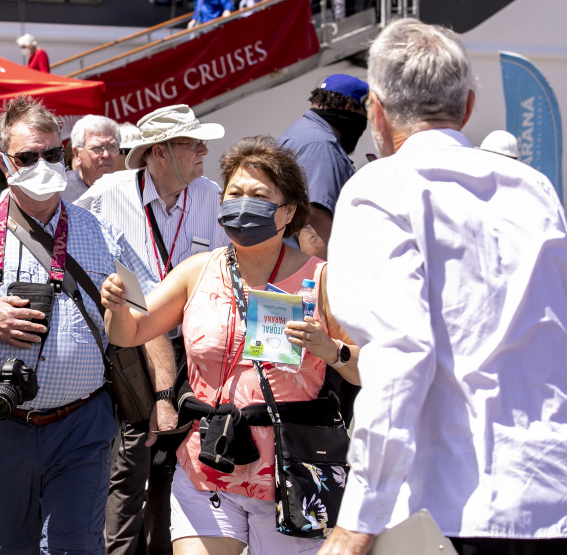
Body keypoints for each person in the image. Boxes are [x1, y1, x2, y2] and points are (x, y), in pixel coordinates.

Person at [320, 19, 567, 555]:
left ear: (376, 111)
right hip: (548, 500)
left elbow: (401, 352)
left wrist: (357, 520)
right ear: (469, 107)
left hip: (445, 509)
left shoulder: (379, 189)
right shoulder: (536, 190)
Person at [0, 95, 176, 553]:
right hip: (0, 427)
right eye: (27, 157)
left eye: (51, 154)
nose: (42, 164)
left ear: (65, 154)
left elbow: (149, 310)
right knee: (5, 547)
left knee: (76, 547)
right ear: (4, 163)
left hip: (82, 425)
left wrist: (165, 395)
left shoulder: (99, 232)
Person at [101, 135, 361, 555]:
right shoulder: (197, 271)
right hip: (209, 460)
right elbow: (128, 333)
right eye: (235, 193)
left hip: (291, 468)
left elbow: (366, 368)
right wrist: (115, 306)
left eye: (258, 195)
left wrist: (330, 349)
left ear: (289, 210)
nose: (243, 203)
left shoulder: (323, 278)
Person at [76, 103, 229, 555]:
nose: (204, 150)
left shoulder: (209, 195)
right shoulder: (107, 193)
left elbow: (224, 272)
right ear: (159, 152)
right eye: (192, 142)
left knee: (176, 464)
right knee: (127, 464)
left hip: (190, 351)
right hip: (127, 349)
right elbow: (70, 247)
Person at [277, 74, 369, 260]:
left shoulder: (300, 132)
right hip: (309, 276)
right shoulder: (321, 145)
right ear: (350, 107)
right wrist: (321, 286)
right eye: (364, 111)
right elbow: (311, 228)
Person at [62, 115, 121, 204]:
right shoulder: (59, 192)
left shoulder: (132, 188)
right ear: (77, 154)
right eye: (97, 148)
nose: (106, 155)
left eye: (112, 146)